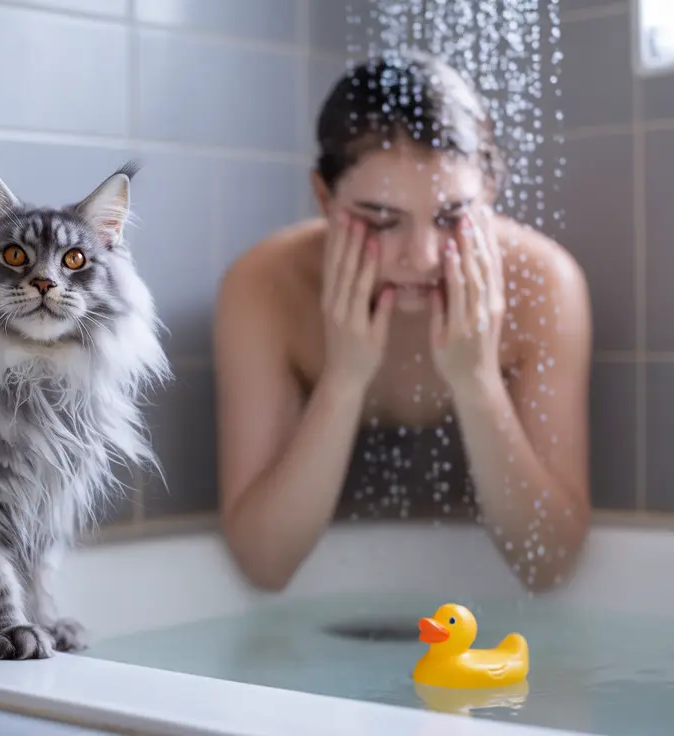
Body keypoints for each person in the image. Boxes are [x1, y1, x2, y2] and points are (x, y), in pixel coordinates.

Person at [213, 52, 594, 594]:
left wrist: (477, 380)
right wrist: (343, 379)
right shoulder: (269, 286)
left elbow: (548, 566)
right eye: (381, 220)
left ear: (489, 190)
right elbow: (263, 565)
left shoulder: (541, 283)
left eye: (451, 217)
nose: (422, 255)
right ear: (324, 197)